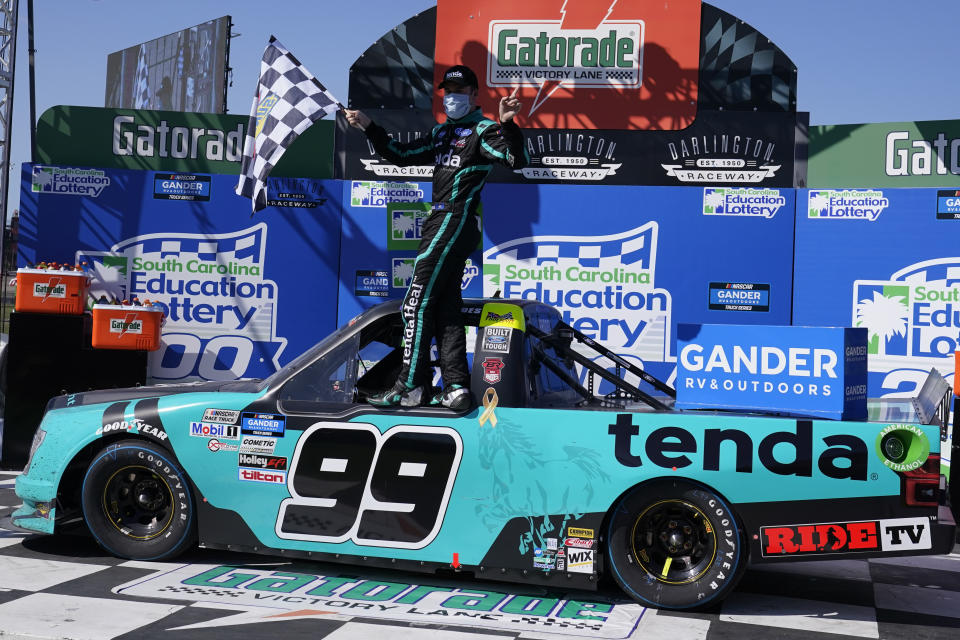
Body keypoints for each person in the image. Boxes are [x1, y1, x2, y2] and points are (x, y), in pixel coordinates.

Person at [344, 65, 527, 410]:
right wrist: (368, 125)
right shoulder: (443, 133)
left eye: (459, 91)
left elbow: (515, 159)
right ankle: (456, 386)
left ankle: (409, 385)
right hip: (441, 217)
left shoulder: (483, 130)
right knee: (445, 309)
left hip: (454, 216)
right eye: (448, 91)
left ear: (474, 95)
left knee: (416, 303)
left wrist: (507, 123)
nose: (452, 97)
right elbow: (400, 156)